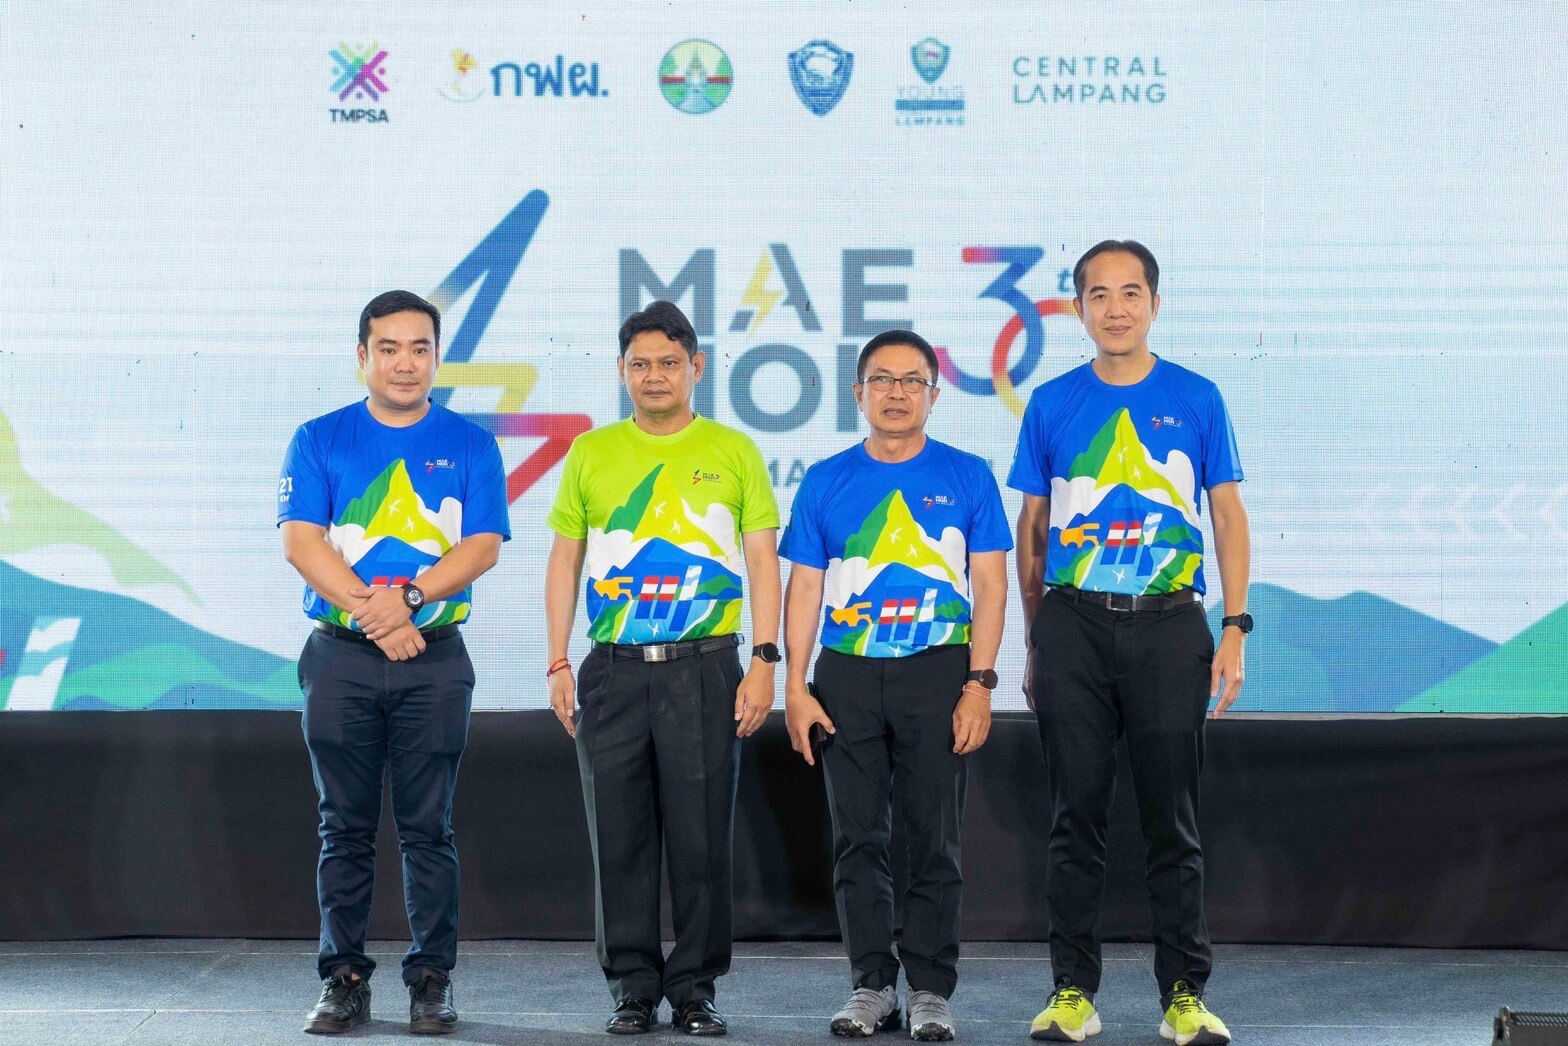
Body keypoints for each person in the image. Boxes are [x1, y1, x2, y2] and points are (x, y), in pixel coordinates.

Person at [1011, 241, 1249, 1045]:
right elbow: (1033, 528)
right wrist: (1037, 640)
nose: (1116, 309)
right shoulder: (1052, 402)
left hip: (1171, 624)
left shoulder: (1197, 397)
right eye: (1100, 295)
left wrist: (1235, 626)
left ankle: (1184, 994)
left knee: (1170, 820)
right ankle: (1072, 992)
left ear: (1154, 302)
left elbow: (1227, 515)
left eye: (1131, 293)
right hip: (1073, 625)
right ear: (1079, 308)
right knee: (1073, 819)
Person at [544, 299, 781, 1037]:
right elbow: (565, 560)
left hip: (706, 668)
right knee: (617, 837)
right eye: (640, 364)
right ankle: (633, 987)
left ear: (696, 368)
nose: (654, 376)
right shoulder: (591, 452)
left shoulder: (734, 450)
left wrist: (765, 659)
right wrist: (556, 659)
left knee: (701, 838)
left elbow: (762, 559)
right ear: (622, 371)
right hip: (611, 671)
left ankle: (696, 988)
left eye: (669, 363)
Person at [278, 289, 509, 1036]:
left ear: (437, 357)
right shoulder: (319, 438)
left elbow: (482, 546)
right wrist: (372, 616)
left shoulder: (471, 444)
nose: (404, 363)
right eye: (388, 348)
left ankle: (431, 979)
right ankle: (342, 979)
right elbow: (301, 541)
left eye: (419, 349)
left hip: (433, 662)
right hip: (339, 660)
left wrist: (406, 600)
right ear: (362, 356)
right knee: (342, 828)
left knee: (427, 828)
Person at [778, 330, 1010, 1042]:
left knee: (934, 838)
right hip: (845, 675)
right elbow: (805, 586)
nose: (897, 393)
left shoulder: (969, 475)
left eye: (913, 381)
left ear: (934, 395)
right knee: (858, 838)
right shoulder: (826, 479)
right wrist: (796, 685)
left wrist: (979, 683)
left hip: (938, 671)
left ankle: (931, 989)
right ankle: (872, 984)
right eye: (883, 379)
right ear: (859, 393)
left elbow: (991, 584)